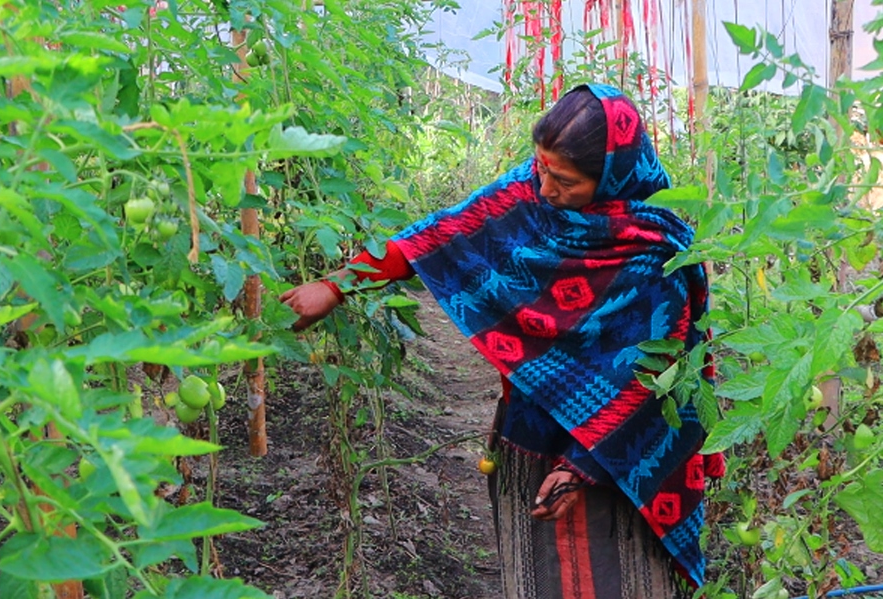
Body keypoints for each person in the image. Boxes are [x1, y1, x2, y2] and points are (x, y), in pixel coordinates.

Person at [280, 83, 724, 599]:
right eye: (542, 168)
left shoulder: (655, 251)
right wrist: (335, 285)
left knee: (617, 579)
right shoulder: (525, 195)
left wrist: (583, 468)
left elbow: (660, 378)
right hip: (530, 432)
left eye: (567, 181)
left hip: (619, 458)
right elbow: (432, 238)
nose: (547, 187)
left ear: (611, 177)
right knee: (536, 576)